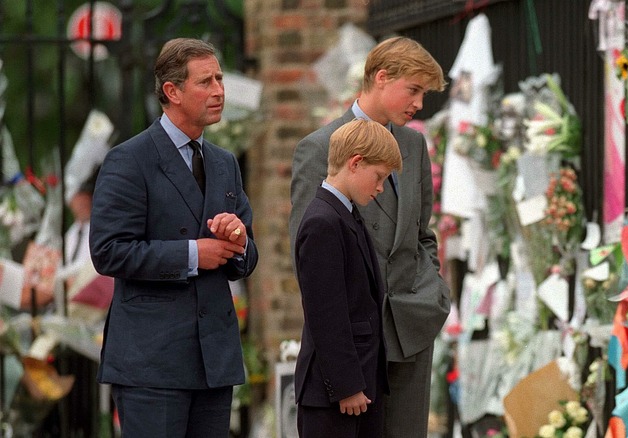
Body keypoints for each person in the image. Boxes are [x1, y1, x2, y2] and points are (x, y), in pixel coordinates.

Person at [89, 38, 258, 437]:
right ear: (172, 91)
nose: (219, 90)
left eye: (220, 78)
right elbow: (108, 251)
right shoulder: (129, 160)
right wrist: (193, 255)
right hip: (152, 363)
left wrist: (239, 242)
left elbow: (245, 259)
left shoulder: (224, 163)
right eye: (206, 81)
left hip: (214, 361)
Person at [290, 36, 451, 437]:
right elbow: (309, 254)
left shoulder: (413, 143)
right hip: (357, 338)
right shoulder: (320, 147)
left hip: (412, 324)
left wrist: (431, 293)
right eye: (413, 90)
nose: (419, 104)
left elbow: (421, 234)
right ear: (381, 78)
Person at [294, 118, 401, 437]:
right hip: (335, 395)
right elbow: (326, 314)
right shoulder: (322, 222)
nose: (381, 187)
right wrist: (347, 386)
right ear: (355, 163)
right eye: (379, 176)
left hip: (359, 387)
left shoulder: (344, 214)